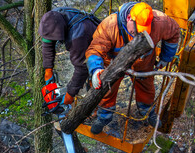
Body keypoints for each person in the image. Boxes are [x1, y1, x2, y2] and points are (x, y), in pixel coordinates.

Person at [85, 2, 180, 134]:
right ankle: (104, 117)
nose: (139, 34)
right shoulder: (109, 25)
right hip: (113, 63)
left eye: (144, 30)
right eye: (137, 29)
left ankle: (146, 111)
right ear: (129, 18)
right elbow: (95, 50)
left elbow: (174, 32)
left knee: (146, 87)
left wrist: (165, 58)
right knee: (106, 89)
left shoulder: (160, 21)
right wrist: (95, 70)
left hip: (143, 62)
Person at [39, 7, 100, 107]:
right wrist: (48, 69)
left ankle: (102, 115)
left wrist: (70, 94)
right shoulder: (52, 17)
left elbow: (82, 68)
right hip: (85, 45)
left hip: (101, 52)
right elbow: (47, 44)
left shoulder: (77, 36)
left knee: (97, 81)